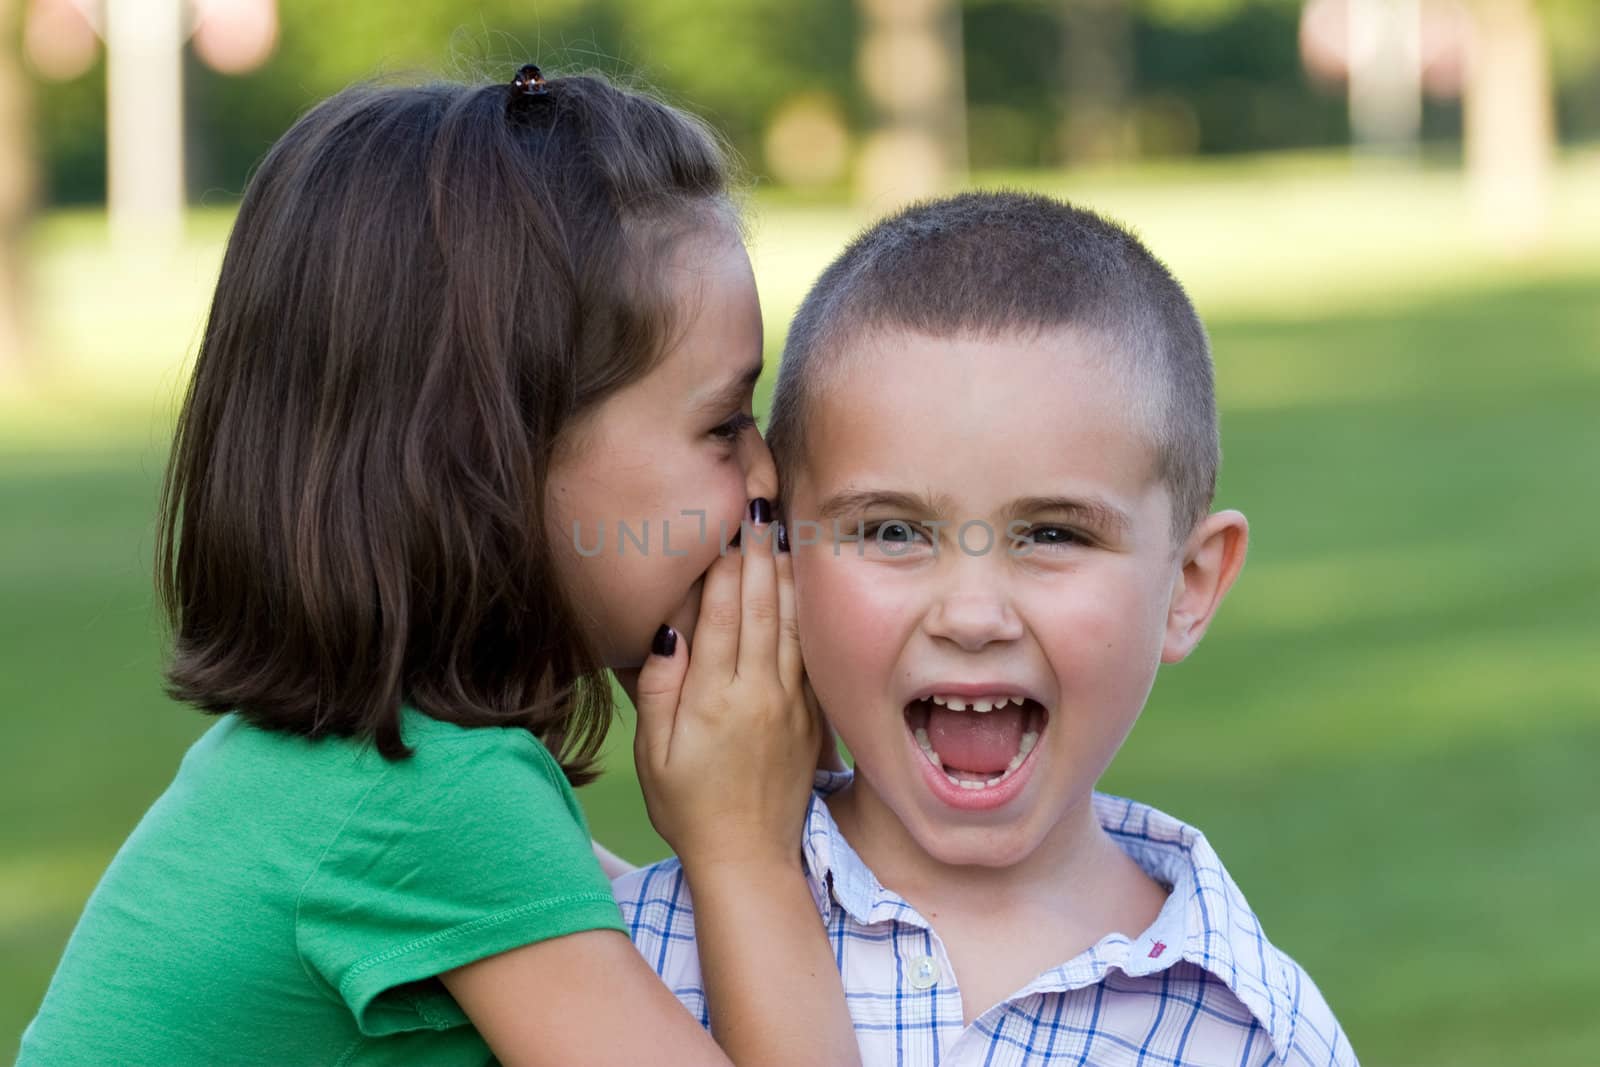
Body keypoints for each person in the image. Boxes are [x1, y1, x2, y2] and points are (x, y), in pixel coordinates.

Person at [17, 67, 858, 1067]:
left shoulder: (363, 772)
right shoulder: (429, 801)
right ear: (495, 459)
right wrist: (744, 853)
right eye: (725, 424)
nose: (769, 479)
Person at [614, 191, 1358, 1065]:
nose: (972, 615)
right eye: (892, 531)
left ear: (1189, 584)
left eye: (1053, 534)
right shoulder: (638, 960)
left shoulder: (1260, 1032)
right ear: (778, 554)